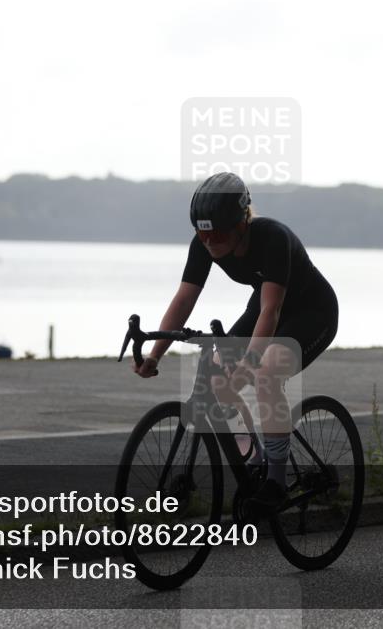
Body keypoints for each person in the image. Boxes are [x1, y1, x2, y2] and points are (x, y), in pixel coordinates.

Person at [132, 171, 339, 516]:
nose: (210, 242)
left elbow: (271, 311)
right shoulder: (204, 244)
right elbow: (184, 299)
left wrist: (251, 363)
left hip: (312, 312)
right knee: (218, 375)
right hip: (265, 308)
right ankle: (257, 454)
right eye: (203, 234)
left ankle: (275, 482)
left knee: (266, 372)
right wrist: (155, 354)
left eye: (217, 234)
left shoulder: (272, 237)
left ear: (242, 221)